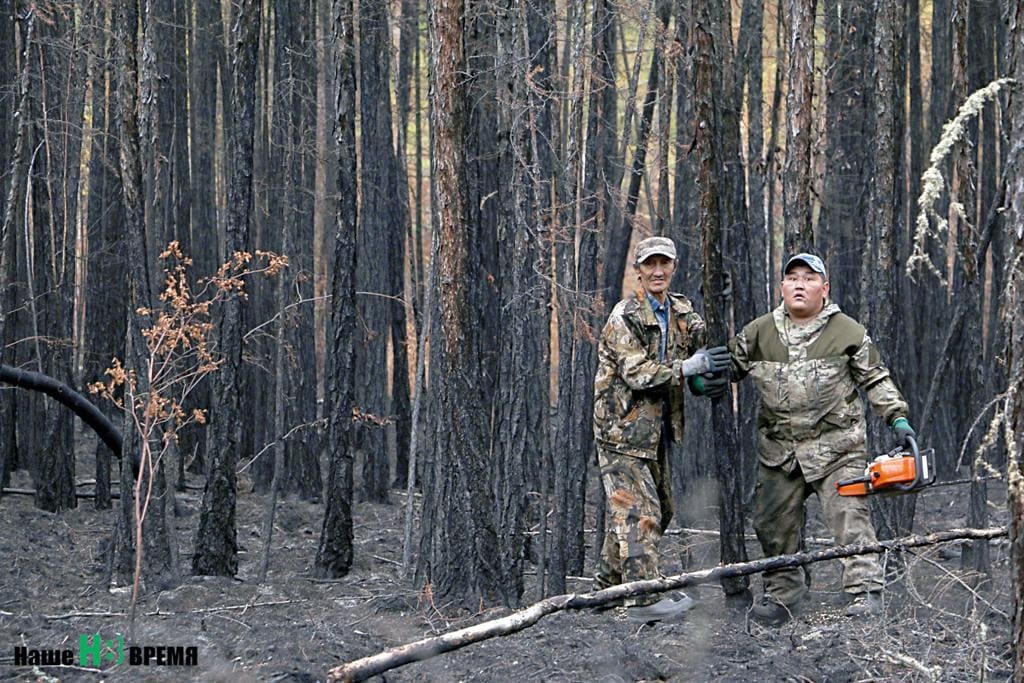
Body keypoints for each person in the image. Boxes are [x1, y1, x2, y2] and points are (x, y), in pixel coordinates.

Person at [723, 252, 917, 625]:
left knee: (850, 516)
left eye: (810, 278)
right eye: (792, 277)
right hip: (779, 452)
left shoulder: (848, 331)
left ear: (824, 288)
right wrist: (704, 375)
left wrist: (898, 418)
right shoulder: (758, 332)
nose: (800, 284)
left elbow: (875, 378)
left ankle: (865, 593)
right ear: (781, 286)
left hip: (837, 449)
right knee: (770, 523)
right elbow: (727, 366)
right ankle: (784, 598)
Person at [592, 236, 730, 622]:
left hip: (657, 434)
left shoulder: (682, 311)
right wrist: (688, 369)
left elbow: (707, 346)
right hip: (620, 432)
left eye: (663, 264)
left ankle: (606, 589)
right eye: (649, 265)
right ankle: (643, 599)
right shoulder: (624, 317)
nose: (657, 271)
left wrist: (721, 302)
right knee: (639, 512)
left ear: (673, 267)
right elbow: (636, 374)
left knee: (655, 510)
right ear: (638, 271)